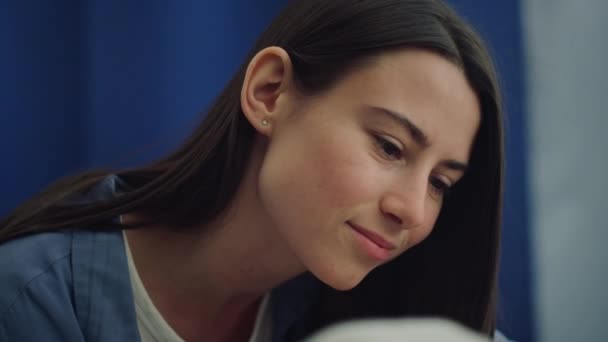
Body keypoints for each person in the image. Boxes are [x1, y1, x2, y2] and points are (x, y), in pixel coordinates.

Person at [0, 0, 506, 341]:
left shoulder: (396, 318)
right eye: (390, 147)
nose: (412, 210)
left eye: (441, 182)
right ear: (270, 92)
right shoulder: (26, 302)